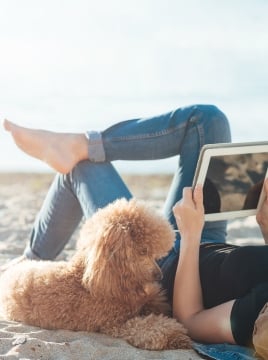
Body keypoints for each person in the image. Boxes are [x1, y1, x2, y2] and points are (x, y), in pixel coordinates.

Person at [2, 104, 268, 350]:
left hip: (165, 263)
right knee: (208, 120)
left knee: (81, 169)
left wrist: (190, 237)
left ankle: (30, 260)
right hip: (204, 234)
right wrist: (264, 225)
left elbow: (191, 319)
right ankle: (86, 143)